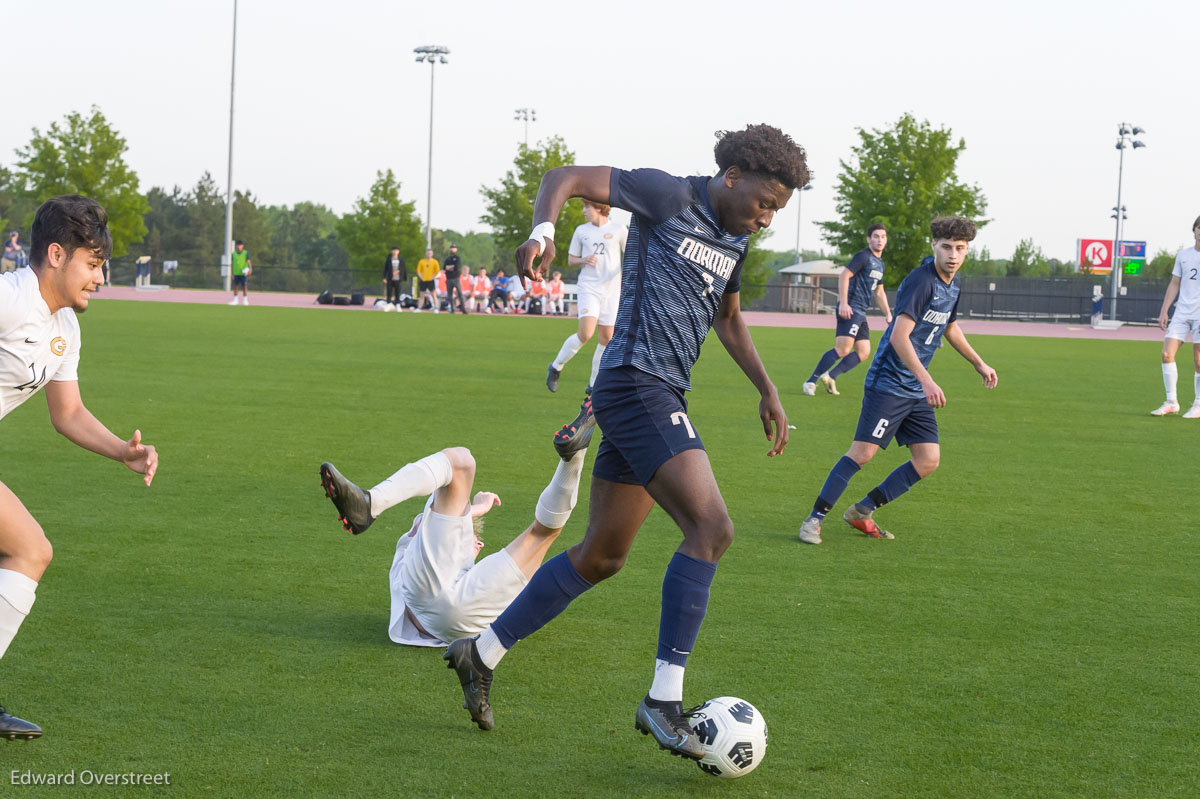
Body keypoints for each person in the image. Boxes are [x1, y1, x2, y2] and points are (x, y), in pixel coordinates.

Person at [443, 124, 807, 761]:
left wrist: (767, 387)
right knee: (713, 530)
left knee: (603, 556)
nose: (767, 217)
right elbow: (566, 179)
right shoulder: (668, 196)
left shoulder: (734, 239)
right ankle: (663, 699)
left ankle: (481, 651)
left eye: (778, 209)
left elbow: (726, 316)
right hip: (635, 386)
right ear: (732, 177)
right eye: (764, 202)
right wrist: (542, 232)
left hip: (660, 394)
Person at [0, 195, 159, 740]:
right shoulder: (11, 297)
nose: (100, 277)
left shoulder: (63, 323)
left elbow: (66, 413)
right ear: (54, 254)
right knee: (28, 549)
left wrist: (122, 450)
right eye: (92, 264)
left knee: (27, 550)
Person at [797, 217, 997, 546]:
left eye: (960, 248)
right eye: (946, 247)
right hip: (889, 385)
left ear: (967, 250)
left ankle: (862, 511)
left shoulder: (954, 283)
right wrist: (928, 381)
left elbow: (950, 327)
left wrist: (978, 363)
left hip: (915, 389)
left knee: (928, 459)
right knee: (861, 454)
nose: (952, 254)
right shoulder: (922, 281)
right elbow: (899, 338)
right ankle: (813, 520)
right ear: (933, 245)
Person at [318, 426, 592, 660]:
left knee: (461, 463)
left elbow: (434, 520)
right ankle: (575, 454)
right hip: (460, 622)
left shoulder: (421, 548)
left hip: (434, 607)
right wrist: (473, 512)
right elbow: (439, 522)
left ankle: (371, 503)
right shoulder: (431, 550)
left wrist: (473, 511)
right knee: (542, 533)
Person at [546, 201, 627, 394]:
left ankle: (592, 385)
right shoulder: (581, 231)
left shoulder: (619, 229)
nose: (583, 211)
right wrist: (583, 259)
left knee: (607, 338)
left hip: (612, 291)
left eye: (586, 207)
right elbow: (571, 259)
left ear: (599, 208)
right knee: (586, 334)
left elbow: (631, 253)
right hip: (589, 287)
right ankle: (556, 366)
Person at [803, 224, 892, 396]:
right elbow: (844, 275)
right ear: (869, 239)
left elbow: (879, 292)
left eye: (883, 236)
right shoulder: (863, 256)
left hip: (861, 312)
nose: (880, 240)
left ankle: (830, 376)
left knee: (863, 352)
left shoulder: (880, 264)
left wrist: (888, 313)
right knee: (843, 349)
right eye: (876, 236)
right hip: (851, 308)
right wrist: (843, 303)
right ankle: (810, 381)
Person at [1151, 215, 1200, 417]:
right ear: (1194, 230)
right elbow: (1175, 283)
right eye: (1198, 226)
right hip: (1181, 312)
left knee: (1199, 361)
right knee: (1166, 354)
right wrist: (1164, 310)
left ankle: (1198, 404)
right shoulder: (1183, 255)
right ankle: (1171, 401)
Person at [443, 244, 467, 314]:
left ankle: (463, 308)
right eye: (451, 248)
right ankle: (453, 308)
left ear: (456, 249)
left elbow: (457, 267)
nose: (452, 249)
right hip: (448, 279)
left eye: (453, 248)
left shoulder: (457, 258)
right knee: (450, 295)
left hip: (456, 278)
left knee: (460, 293)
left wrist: (449, 267)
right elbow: (444, 267)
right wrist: (451, 267)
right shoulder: (448, 259)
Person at [228, 240, 252, 306]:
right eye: (238, 245)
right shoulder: (233, 254)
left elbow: (249, 262)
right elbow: (232, 264)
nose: (239, 246)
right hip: (236, 273)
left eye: (240, 245)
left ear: (242, 246)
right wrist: (232, 273)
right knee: (235, 286)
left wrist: (250, 269)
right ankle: (235, 300)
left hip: (243, 273)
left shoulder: (245, 253)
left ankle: (245, 300)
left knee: (244, 286)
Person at [416, 248, 440, 313]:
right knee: (421, 295)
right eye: (427, 253)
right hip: (423, 280)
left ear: (432, 254)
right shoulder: (422, 261)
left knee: (433, 295)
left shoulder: (435, 262)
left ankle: (436, 308)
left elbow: (437, 271)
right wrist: (421, 276)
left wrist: (433, 277)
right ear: (425, 253)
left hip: (430, 280)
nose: (428, 254)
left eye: (430, 253)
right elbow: (419, 270)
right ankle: (419, 308)